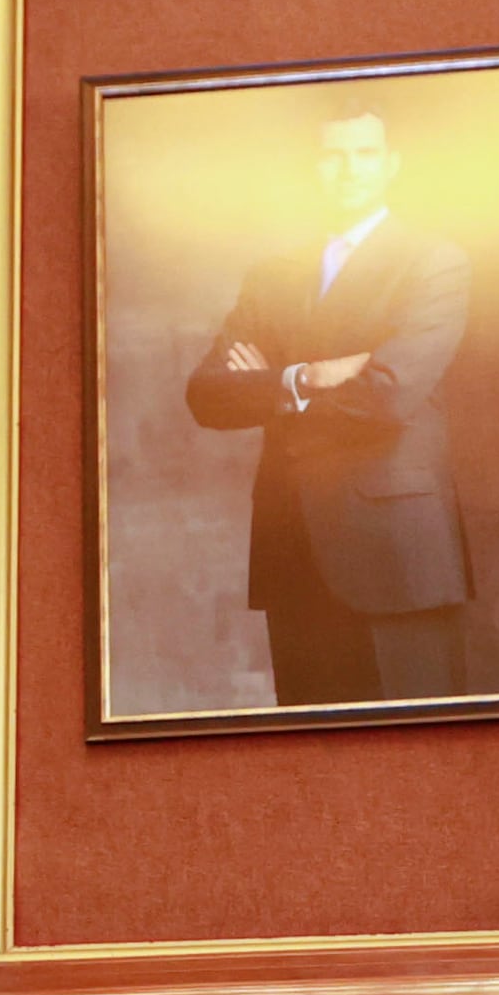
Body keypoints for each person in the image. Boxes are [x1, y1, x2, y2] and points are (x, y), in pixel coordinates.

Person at [184, 103, 473, 708]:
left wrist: (271, 389)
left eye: (365, 154)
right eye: (332, 156)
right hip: (292, 546)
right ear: (313, 169)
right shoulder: (272, 275)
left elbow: (388, 398)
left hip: (394, 551)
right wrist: (307, 375)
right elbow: (208, 395)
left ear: (390, 165)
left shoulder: (433, 261)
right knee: (311, 768)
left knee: (414, 762)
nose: (349, 170)